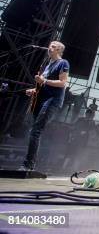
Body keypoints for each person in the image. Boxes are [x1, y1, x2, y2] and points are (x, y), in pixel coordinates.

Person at [21, 40, 70, 171]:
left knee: (35, 130)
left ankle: (28, 164)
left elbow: (63, 83)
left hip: (52, 100)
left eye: (53, 47)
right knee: (35, 131)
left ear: (59, 50)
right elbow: (43, 84)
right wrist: (34, 90)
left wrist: (44, 80)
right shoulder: (47, 65)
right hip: (41, 100)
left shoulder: (63, 63)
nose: (50, 48)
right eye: (50, 46)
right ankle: (30, 164)